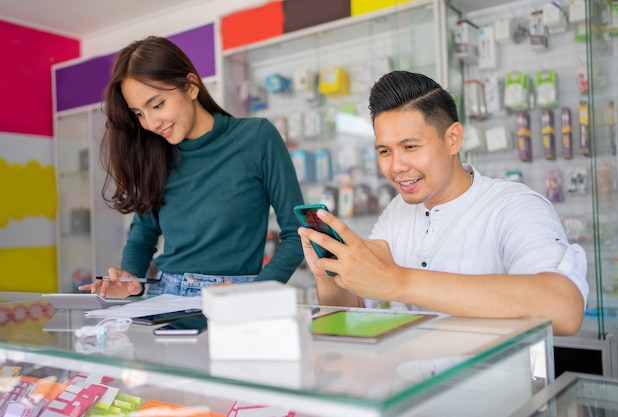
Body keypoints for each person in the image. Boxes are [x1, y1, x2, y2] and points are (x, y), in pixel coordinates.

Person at [298, 71, 588, 336]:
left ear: (453, 139)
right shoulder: (398, 212)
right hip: (420, 390)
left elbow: (565, 308)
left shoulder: (514, 207)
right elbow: (352, 314)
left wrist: (398, 281)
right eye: (385, 151)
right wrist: (329, 275)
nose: (396, 166)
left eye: (410, 147)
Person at [80, 36, 304, 298]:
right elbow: (143, 234)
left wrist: (257, 291)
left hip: (235, 296)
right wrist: (130, 277)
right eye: (139, 113)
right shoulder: (155, 154)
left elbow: (298, 235)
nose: (151, 123)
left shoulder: (257, 137)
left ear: (191, 86)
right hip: (164, 294)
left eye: (157, 104)